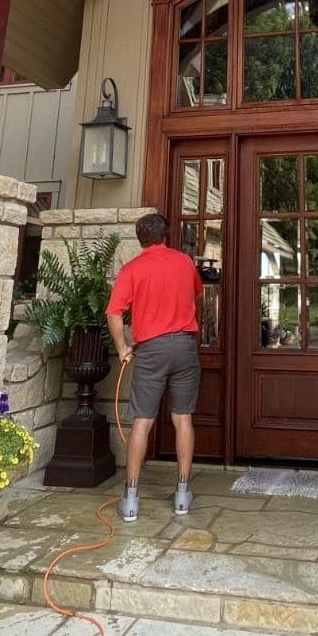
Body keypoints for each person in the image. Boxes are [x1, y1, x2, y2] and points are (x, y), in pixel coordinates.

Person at [105, 212, 201, 522]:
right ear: (165, 235)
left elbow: (114, 313)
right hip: (184, 346)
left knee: (142, 421)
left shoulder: (132, 269)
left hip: (150, 350)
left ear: (139, 238)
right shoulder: (184, 262)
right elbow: (198, 291)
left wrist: (122, 348)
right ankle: (183, 495)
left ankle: (131, 499)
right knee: (182, 418)